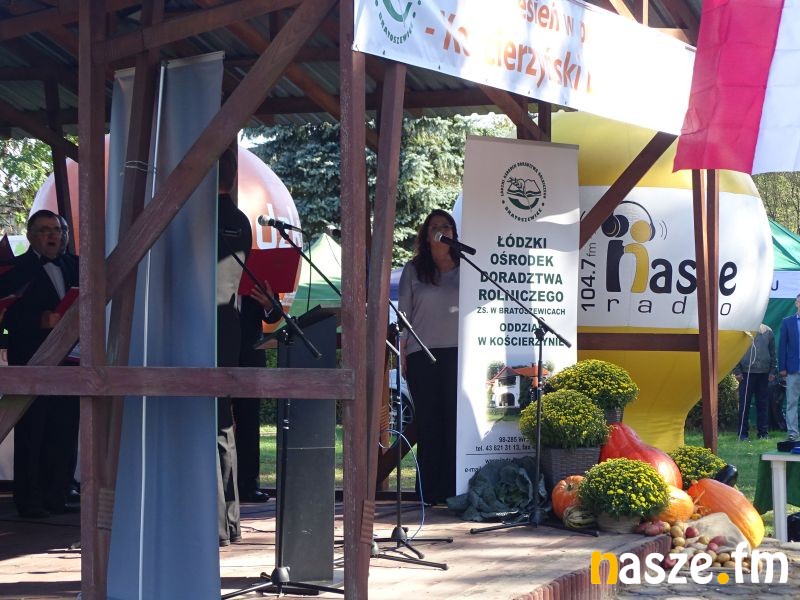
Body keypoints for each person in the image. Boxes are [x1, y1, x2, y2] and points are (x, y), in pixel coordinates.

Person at [216, 148, 282, 545]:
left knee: (238, 418)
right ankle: (230, 511)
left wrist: (269, 301)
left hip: (240, 340)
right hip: (228, 334)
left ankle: (243, 491)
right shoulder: (236, 226)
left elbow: (273, 314)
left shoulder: (222, 225)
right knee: (222, 423)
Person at [0, 210, 79, 518]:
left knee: (65, 425)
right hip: (31, 357)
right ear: (31, 236)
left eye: (58, 230)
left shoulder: (76, 265)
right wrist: (40, 319)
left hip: (71, 359)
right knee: (33, 427)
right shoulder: (15, 270)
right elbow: (7, 314)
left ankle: (58, 493)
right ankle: (29, 499)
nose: (54, 235)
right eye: (46, 230)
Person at [398, 209, 460, 505]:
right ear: (425, 235)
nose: (441, 230)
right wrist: (401, 352)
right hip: (421, 353)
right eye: (435, 226)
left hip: (458, 354)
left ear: (453, 232)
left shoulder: (466, 267)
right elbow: (403, 316)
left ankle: (453, 490)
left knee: (453, 422)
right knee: (429, 423)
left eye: (446, 226)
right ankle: (429, 492)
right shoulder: (413, 269)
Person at [734, 324, 776, 440]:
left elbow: (772, 352)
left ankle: (763, 433)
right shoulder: (742, 329)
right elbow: (734, 352)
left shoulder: (768, 331)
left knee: (763, 404)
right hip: (746, 373)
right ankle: (742, 434)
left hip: (764, 373)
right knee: (744, 405)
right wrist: (737, 371)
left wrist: (772, 371)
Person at [778, 294, 800, 442]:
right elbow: (782, 346)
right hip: (792, 369)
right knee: (791, 402)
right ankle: (793, 432)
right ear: (796, 303)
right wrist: (782, 368)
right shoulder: (787, 322)